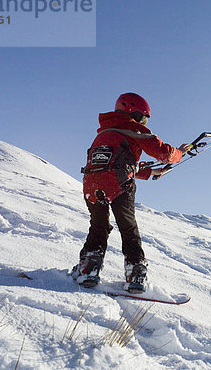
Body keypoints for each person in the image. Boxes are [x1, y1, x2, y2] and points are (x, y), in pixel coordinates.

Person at [72, 93, 189, 292]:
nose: (145, 122)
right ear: (134, 113)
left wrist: (152, 171)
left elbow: (118, 162)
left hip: (91, 184)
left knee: (98, 225)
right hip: (119, 184)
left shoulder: (104, 133)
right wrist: (179, 153)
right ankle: (135, 272)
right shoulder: (133, 128)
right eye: (144, 117)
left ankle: (88, 268)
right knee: (128, 226)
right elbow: (164, 153)